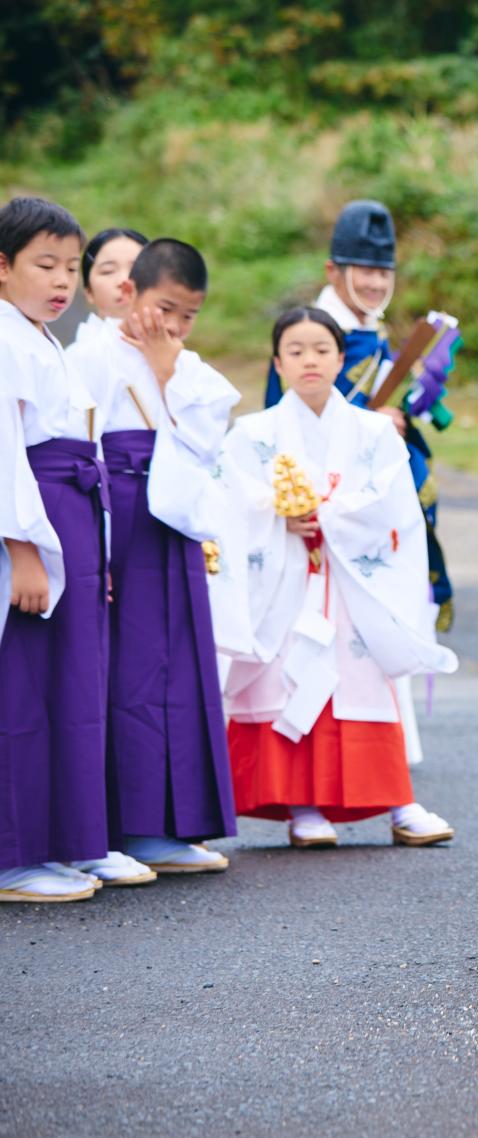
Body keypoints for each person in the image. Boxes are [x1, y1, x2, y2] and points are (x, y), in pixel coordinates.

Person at [217, 307, 458, 848]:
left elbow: (394, 503)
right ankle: (302, 806)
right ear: (277, 363)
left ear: (340, 358)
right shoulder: (250, 434)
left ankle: (398, 801)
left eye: (321, 350)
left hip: (352, 584)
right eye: (296, 350)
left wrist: (328, 515)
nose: (310, 360)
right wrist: (276, 513)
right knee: (286, 680)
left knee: (363, 680)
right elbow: (229, 501)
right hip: (284, 584)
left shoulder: (373, 431)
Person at [68, 238, 239, 875]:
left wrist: (168, 370)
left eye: (188, 315)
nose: (175, 326)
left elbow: (209, 438)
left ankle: (168, 824)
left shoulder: (185, 364)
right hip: (119, 518)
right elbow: (77, 445)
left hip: (173, 520)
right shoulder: (89, 356)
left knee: (178, 668)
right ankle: (121, 826)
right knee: (123, 672)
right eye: (165, 308)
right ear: (130, 293)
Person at [264, 200, 455, 636]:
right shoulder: (309, 332)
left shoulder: (372, 326)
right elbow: (287, 412)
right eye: (364, 270)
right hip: (329, 483)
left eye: (384, 272)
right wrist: (370, 421)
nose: (375, 282)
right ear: (333, 271)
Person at [0, 196, 114, 902]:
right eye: (45, 265)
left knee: (64, 688)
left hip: (67, 514)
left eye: (71, 267)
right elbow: (5, 450)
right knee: (22, 690)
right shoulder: (5, 340)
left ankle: (53, 842)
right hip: (32, 523)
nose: (62, 281)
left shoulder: (41, 339)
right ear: (1, 266)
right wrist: (22, 551)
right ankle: (12, 856)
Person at [72, 227, 147, 344]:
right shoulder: (80, 352)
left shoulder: (177, 352)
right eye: (108, 271)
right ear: (89, 291)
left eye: (136, 269)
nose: (124, 280)